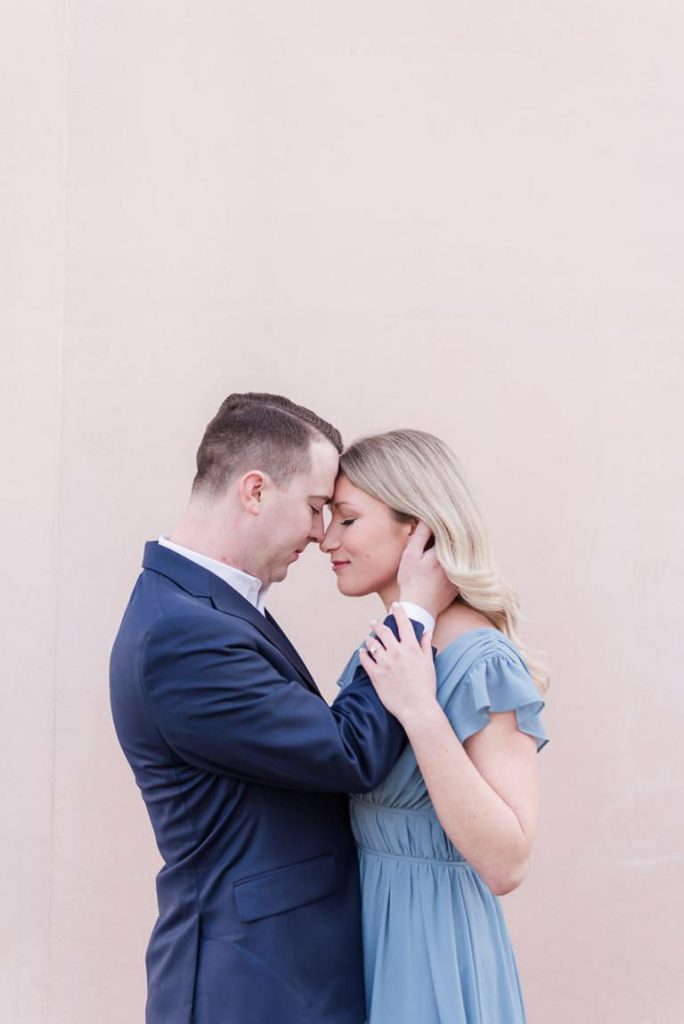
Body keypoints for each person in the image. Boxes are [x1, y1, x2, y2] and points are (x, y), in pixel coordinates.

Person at [109, 394, 455, 1024]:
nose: (322, 533)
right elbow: (348, 753)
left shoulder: (209, 607)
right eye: (316, 507)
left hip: (283, 973)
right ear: (255, 491)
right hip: (250, 985)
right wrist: (412, 610)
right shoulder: (182, 635)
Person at [321, 429, 549, 1024]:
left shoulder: (481, 660)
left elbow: (508, 861)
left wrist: (420, 710)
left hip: (435, 949)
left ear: (417, 529)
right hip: (364, 938)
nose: (326, 539)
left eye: (347, 519)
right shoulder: (391, 646)